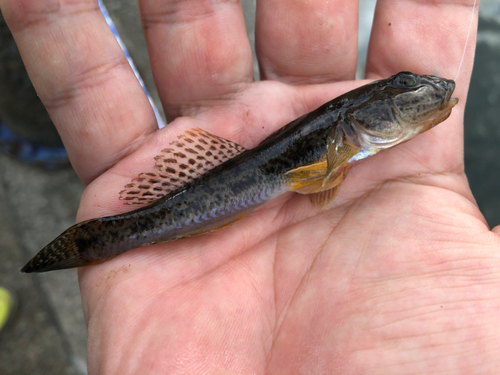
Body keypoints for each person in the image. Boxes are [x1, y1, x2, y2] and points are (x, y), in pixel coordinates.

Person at [2, 0, 498, 373]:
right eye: (399, 101)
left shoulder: (350, 132)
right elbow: (315, 181)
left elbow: (318, 180)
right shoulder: (344, 132)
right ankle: (103, 238)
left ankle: (102, 238)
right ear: (361, 119)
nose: (417, 100)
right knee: (149, 221)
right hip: (227, 185)